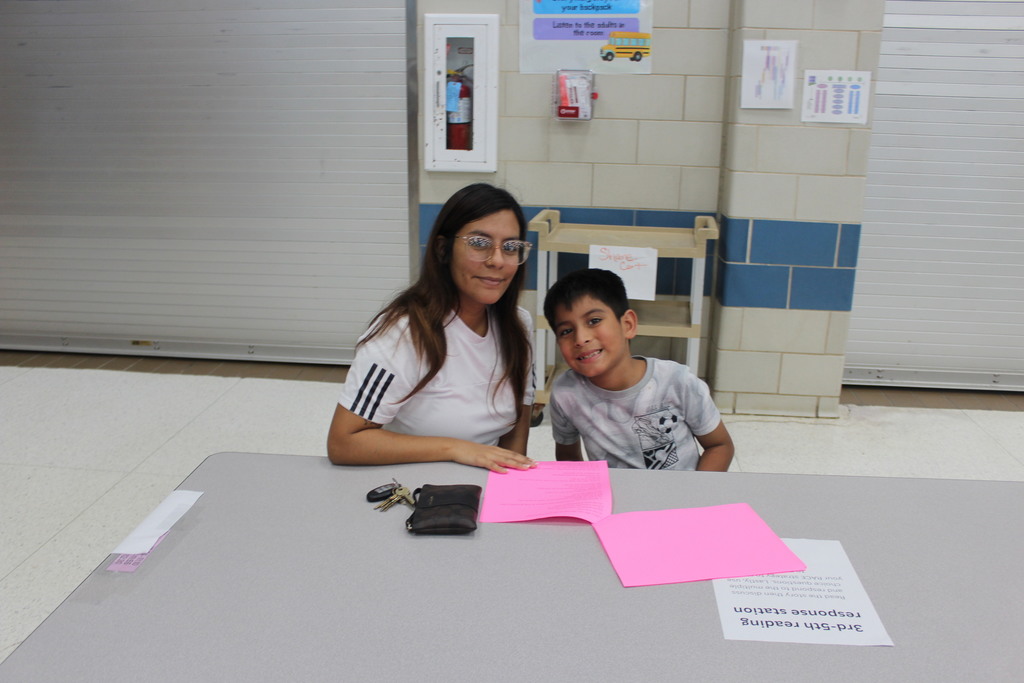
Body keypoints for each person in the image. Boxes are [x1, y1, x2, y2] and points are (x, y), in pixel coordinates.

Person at [327, 183, 537, 473]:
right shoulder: (403, 333)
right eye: (479, 243)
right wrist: (455, 449)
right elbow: (343, 442)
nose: (498, 261)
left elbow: (521, 413)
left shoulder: (518, 325)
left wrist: (510, 480)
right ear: (443, 248)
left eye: (511, 247)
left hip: (485, 484)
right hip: (415, 482)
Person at [543, 268, 734, 471]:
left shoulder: (677, 381)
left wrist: (694, 490)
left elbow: (719, 446)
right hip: (615, 491)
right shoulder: (566, 393)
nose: (581, 339)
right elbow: (568, 459)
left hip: (683, 490)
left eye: (594, 321)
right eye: (566, 331)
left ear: (628, 324)